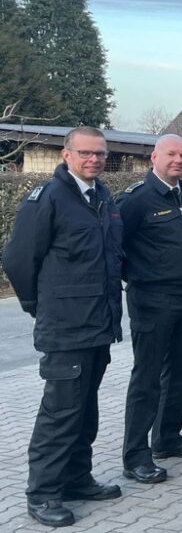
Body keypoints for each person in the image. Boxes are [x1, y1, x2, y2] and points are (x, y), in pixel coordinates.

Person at [3, 126, 124, 527]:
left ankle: (76, 478)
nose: (94, 160)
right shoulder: (49, 198)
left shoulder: (102, 196)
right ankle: (43, 493)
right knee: (59, 413)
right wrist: (40, 306)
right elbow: (19, 260)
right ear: (66, 155)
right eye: (86, 153)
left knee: (84, 410)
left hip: (97, 325)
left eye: (101, 154)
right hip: (66, 328)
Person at [116, 135, 182, 488]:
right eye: (172, 154)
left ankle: (167, 437)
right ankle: (136, 457)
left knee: (181, 373)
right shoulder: (136, 199)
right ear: (154, 157)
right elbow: (116, 247)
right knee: (147, 379)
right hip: (151, 299)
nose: (179, 160)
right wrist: (141, 277)